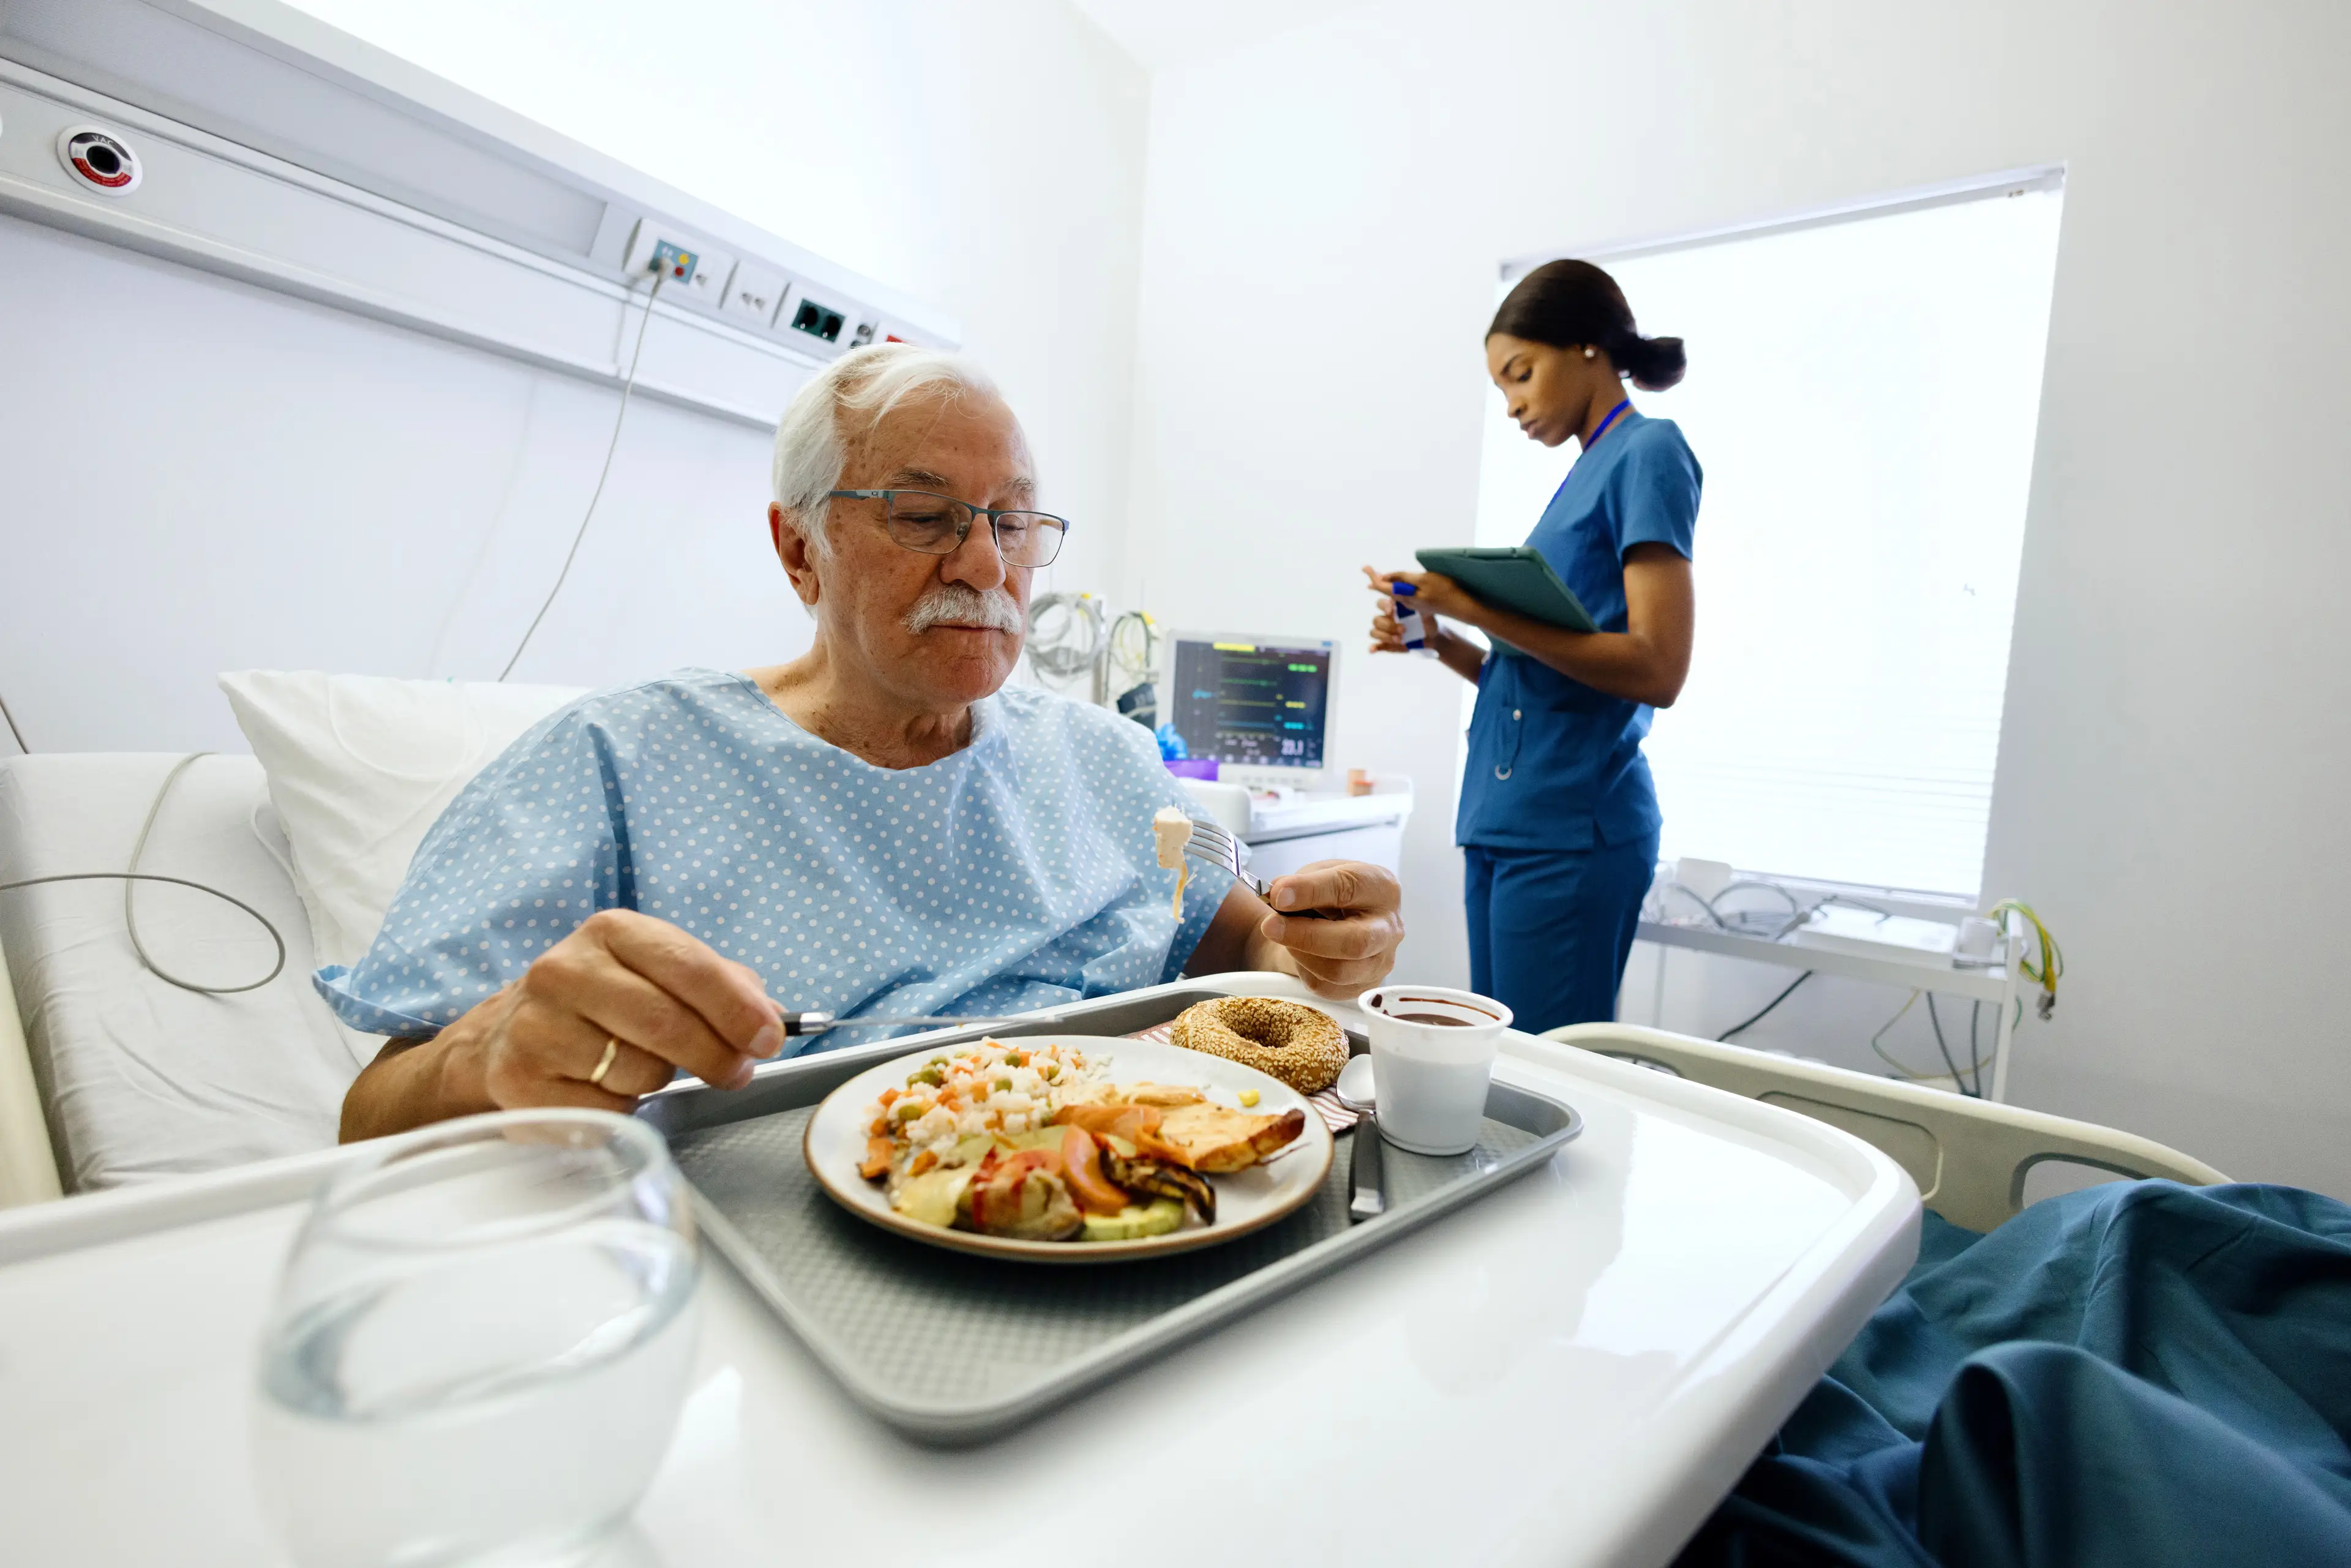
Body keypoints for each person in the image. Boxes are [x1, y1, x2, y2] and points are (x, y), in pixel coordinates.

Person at [330, 345, 1404, 1139]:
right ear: (800, 548)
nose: (987, 567)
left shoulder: (1107, 762)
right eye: (925, 516)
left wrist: (1310, 943)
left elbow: (1243, 945)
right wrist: (488, 1053)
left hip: (1155, 1184)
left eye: (1013, 521)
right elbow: (372, 1115)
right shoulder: (621, 761)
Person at [1363, 259, 1698, 1033]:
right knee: (1510, 1059)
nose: (1514, 404)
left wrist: (1473, 601)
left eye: (1520, 374)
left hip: (1571, 827)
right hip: (1510, 820)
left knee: (1548, 1073)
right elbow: (1539, 680)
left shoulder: (1647, 451)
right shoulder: (1585, 474)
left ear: (1586, 345)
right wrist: (1441, 638)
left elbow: (1658, 667)